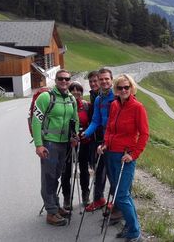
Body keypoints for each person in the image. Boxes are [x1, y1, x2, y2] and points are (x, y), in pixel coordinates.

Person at [98, 74, 149, 242]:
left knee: (121, 195)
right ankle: (130, 226)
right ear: (116, 90)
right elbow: (109, 129)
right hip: (110, 153)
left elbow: (144, 134)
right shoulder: (114, 105)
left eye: (127, 87)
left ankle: (135, 232)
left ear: (132, 88)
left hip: (125, 157)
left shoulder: (138, 107)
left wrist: (133, 155)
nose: (124, 90)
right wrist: (105, 143)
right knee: (123, 193)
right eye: (120, 88)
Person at [32, 69, 79, 226]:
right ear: (56, 79)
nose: (64, 81)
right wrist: (39, 144)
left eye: (67, 79)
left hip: (65, 144)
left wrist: (74, 137)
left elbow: (75, 119)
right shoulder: (46, 97)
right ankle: (51, 212)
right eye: (60, 78)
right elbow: (36, 121)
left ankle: (55, 205)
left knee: (57, 175)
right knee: (48, 178)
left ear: (70, 80)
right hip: (49, 143)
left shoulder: (71, 99)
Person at [82, 68, 114, 212]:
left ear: (111, 80)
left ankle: (116, 202)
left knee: (114, 172)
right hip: (104, 140)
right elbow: (95, 121)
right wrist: (85, 134)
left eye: (106, 79)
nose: (103, 82)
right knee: (100, 169)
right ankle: (100, 199)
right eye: (101, 79)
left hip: (116, 141)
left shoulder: (118, 95)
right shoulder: (99, 99)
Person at [61, 81, 91, 208]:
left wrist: (86, 132)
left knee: (84, 170)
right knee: (66, 171)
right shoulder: (64, 105)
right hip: (67, 143)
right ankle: (67, 198)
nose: (75, 92)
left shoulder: (86, 106)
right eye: (72, 90)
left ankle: (85, 195)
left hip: (84, 142)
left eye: (78, 90)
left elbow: (91, 122)